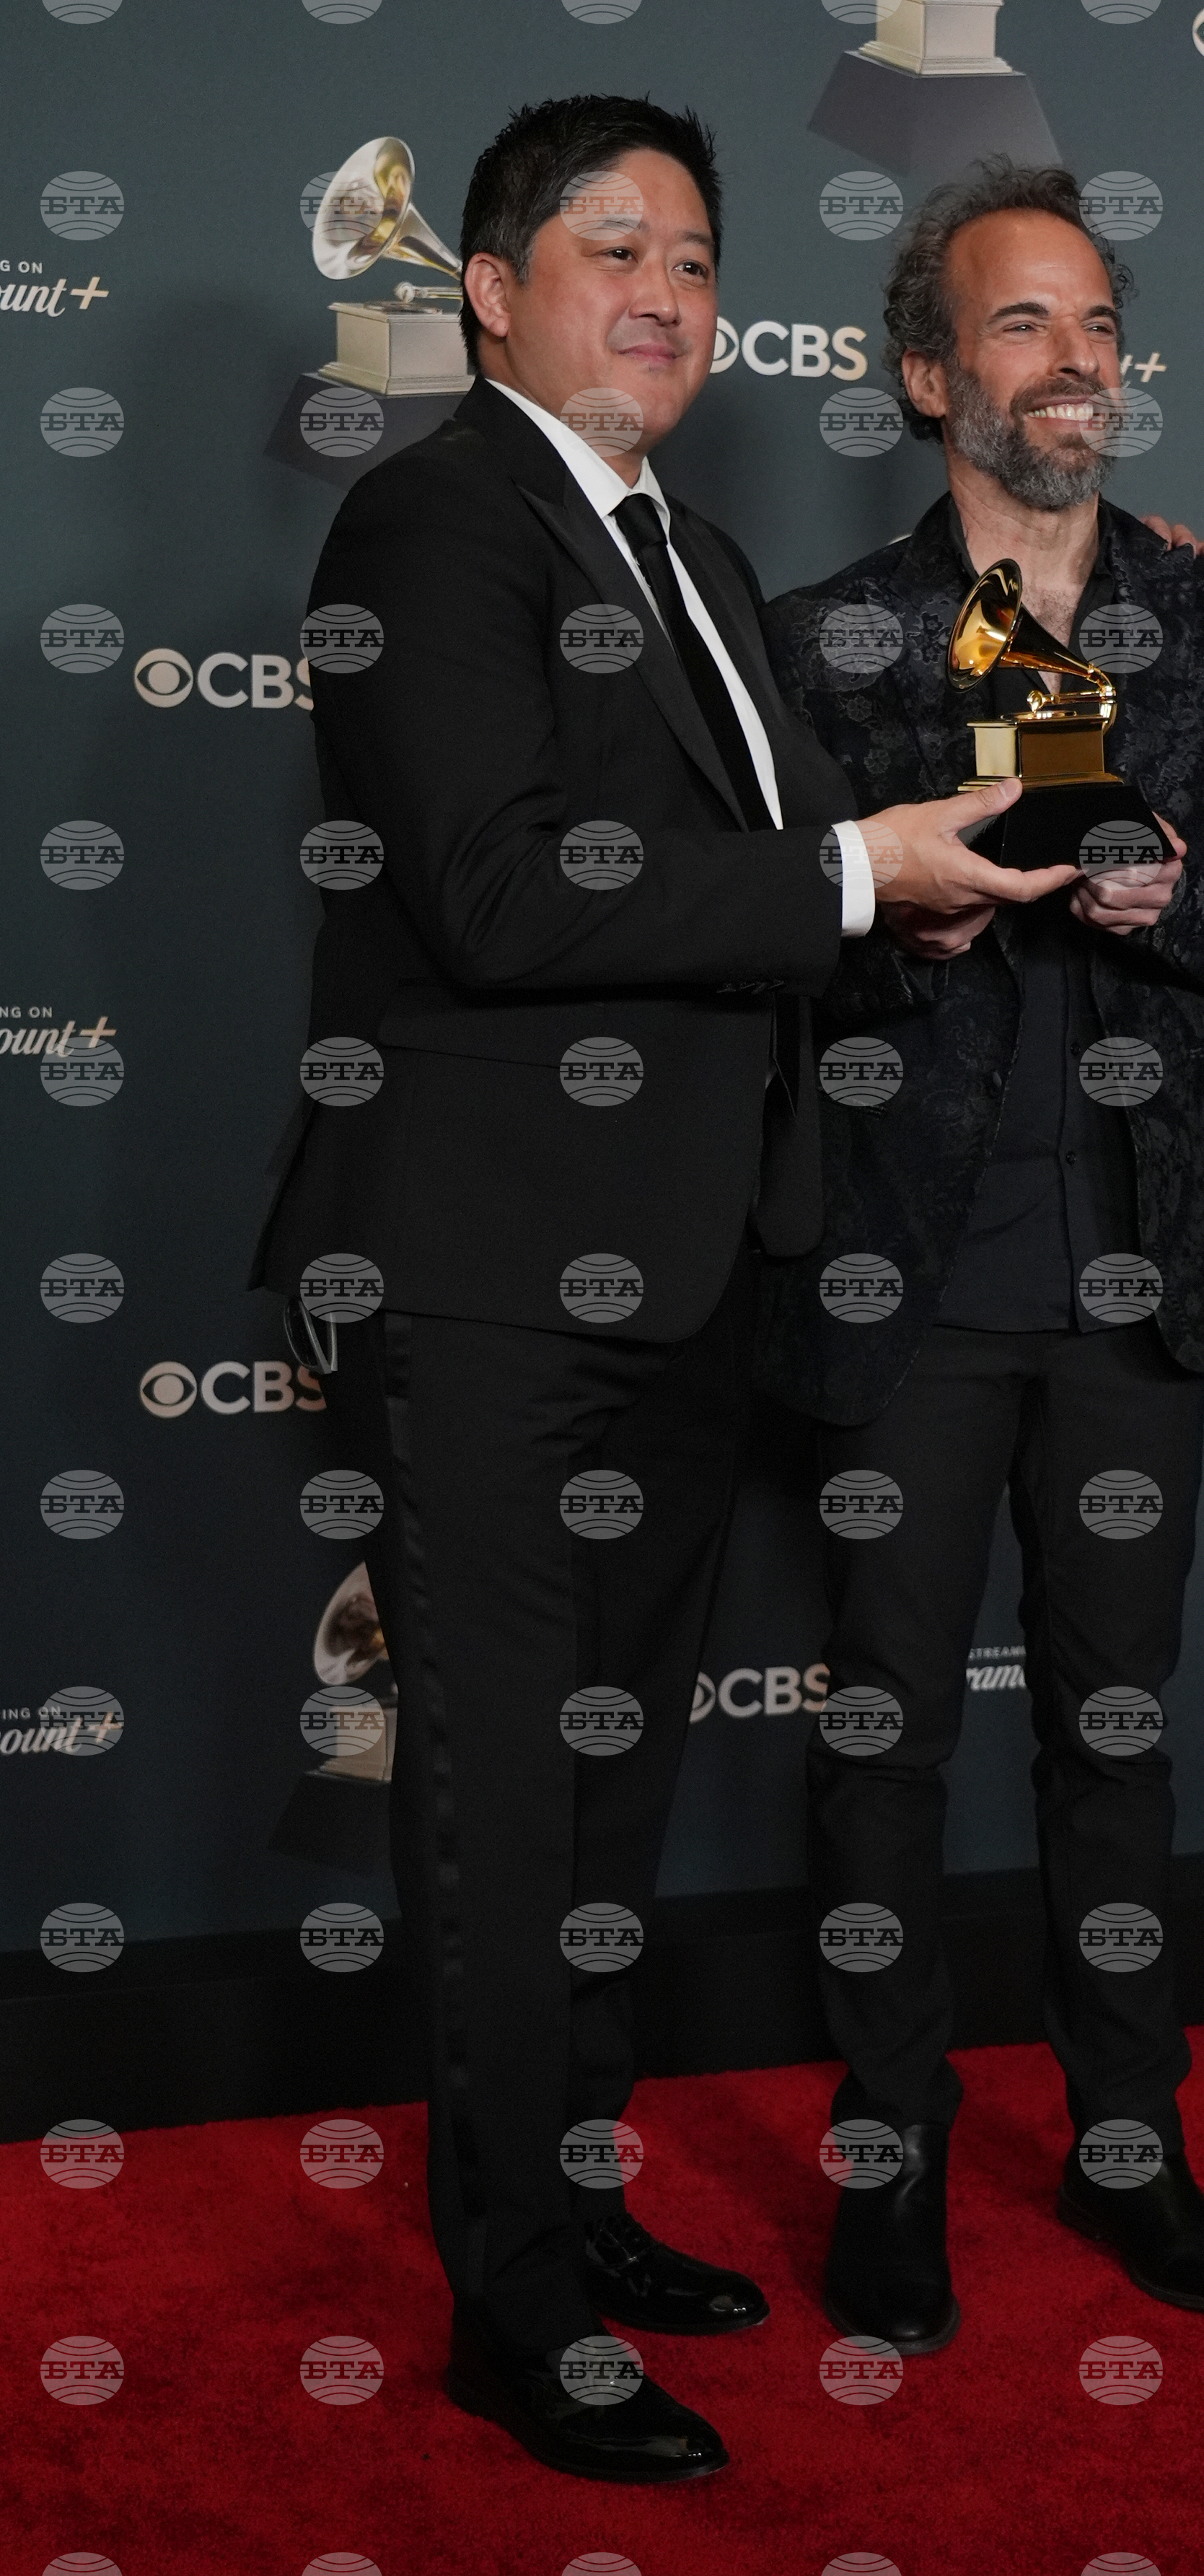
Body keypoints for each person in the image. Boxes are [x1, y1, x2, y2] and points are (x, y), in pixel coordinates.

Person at [254, 97, 1071, 2484]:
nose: (667, 294)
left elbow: (749, 881)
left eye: (699, 260)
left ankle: (573, 2209)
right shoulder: (429, 519)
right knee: (514, 1806)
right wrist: (843, 874)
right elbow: (506, 896)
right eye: (611, 249)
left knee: (602, 1801)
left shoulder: (694, 551)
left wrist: (908, 884)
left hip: (694, 1261)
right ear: (488, 290)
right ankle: (509, 2311)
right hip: (493, 1281)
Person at [756, 160, 1204, 2354]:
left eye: (1094, 321)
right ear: (927, 374)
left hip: (1137, 1275)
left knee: (1114, 1730)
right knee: (884, 1741)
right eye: (1019, 323)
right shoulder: (825, 636)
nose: (1073, 358)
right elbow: (755, 956)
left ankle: (1130, 2149)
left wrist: (1160, 895)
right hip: (906, 1277)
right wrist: (892, 910)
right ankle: (884, 2170)